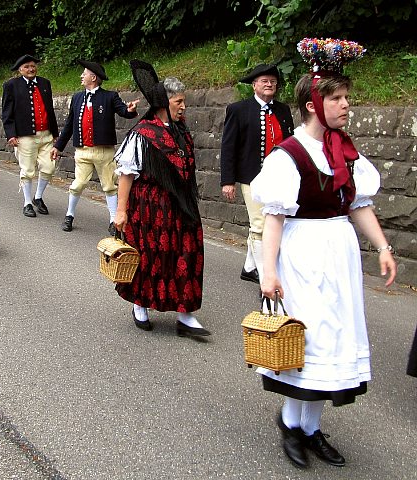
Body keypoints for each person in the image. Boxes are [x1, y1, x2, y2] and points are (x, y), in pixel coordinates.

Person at [251, 38, 397, 469]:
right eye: (337, 98)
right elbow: (274, 219)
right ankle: (291, 424)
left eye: (346, 97)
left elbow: (358, 204)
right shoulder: (289, 155)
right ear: (314, 104)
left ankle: (310, 429)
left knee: (333, 339)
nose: (346, 105)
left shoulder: (344, 151)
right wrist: (268, 272)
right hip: (304, 253)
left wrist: (383, 247)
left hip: (339, 254)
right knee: (308, 339)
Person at [113, 60, 208, 338]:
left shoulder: (180, 131)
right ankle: (140, 304)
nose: (184, 106)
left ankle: (185, 314)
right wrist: (121, 211)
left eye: (184, 101)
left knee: (186, 254)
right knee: (149, 255)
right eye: (179, 101)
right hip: (149, 207)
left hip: (182, 206)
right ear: (164, 102)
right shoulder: (143, 134)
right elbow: (127, 174)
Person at [220, 64, 294, 284]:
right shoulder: (238, 109)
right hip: (252, 177)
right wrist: (228, 181)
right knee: (260, 224)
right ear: (254, 85)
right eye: (264, 81)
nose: (269, 84)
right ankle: (265, 275)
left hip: (280, 178)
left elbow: (291, 143)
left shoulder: (283, 110)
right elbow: (229, 146)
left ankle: (250, 267)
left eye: (272, 81)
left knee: (274, 222)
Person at [52, 60, 139, 233]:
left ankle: (113, 221)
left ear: (93, 77)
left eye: (84, 73)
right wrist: (58, 146)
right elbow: (69, 125)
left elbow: (123, 111)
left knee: (109, 186)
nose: (81, 76)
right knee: (77, 185)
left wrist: (129, 110)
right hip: (82, 151)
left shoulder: (109, 96)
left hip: (104, 152)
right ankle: (69, 215)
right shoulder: (77, 98)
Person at [1, 54, 58, 217]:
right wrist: (11, 134)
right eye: (26, 67)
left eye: (32, 66)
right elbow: (7, 112)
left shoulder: (45, 83)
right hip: (25, 136)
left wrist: (55, 133)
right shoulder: (11, 85)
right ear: (20, 70)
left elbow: (50, 110)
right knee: (27, 170)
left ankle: (38, 197)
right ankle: (27, 202)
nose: (31, 69)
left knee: (49, 167)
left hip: (46, 135)